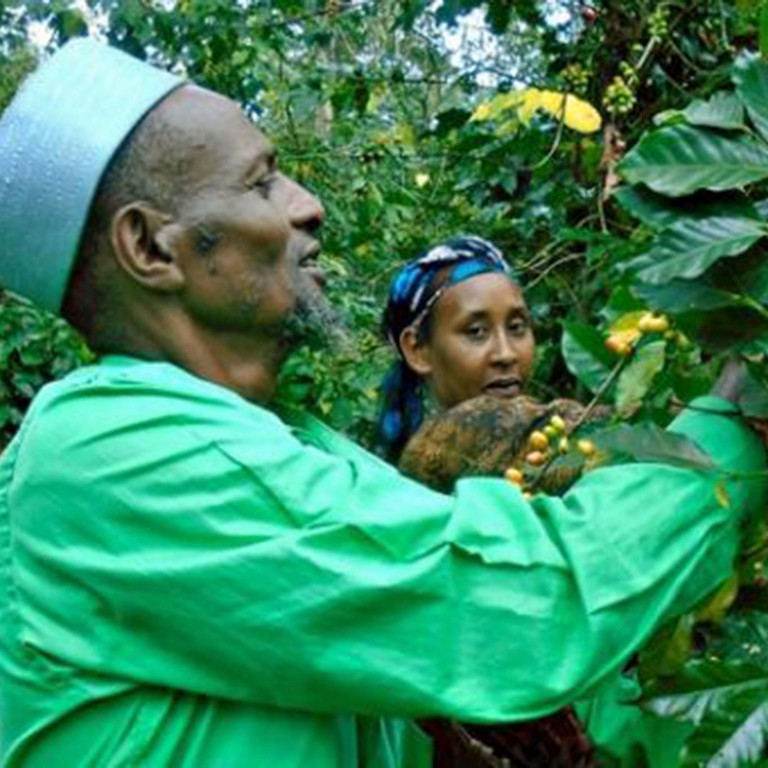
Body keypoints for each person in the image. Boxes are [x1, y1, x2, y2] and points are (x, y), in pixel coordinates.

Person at [0, 39, 764, 768]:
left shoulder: (296, 446)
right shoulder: (110, 448)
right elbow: (516, 607)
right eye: (262, 182)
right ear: (151, 249)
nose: (308, 205)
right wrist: (733, 416)